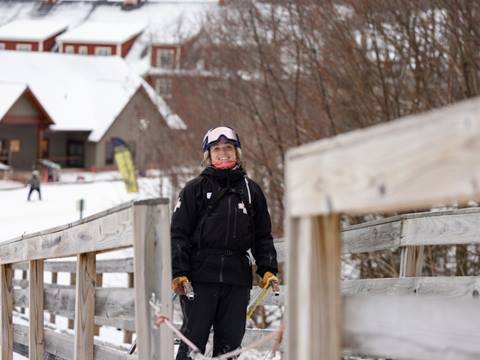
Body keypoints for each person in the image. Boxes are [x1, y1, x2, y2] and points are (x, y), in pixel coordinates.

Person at [171, 126, 279, 359]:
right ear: (208, 155)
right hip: (199, 278)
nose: (223, 153)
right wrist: (179, 272)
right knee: (193, 341)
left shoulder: (252, 191)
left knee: (230, 346)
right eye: (216, 149)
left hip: (236, 278)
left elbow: (262, 235)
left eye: (228, 148)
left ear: (237, 152)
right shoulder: (194, 189)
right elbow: (178, 234)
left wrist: (268, 268)